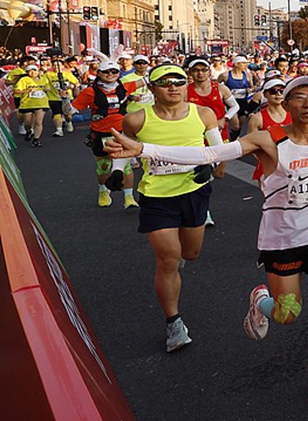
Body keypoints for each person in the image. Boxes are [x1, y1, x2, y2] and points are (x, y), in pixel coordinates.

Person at [105, 76, 308, 407]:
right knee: (286, 314)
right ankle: (261, 300)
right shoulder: (267, 139)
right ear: (286, 104)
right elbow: (210, 153)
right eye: (299, 98)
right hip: (282, 241)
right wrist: (144, 149)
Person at [121, 64, 223, 352]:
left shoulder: (202, 114)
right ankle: (173, 323)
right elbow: (125, 150)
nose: (173, 86)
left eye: (179, 81)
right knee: (167, 259)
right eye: (164, 82)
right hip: (156, 197)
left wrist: (209, 165)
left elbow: (218, 150)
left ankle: (178, 260)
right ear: (152, 88)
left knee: (190, 254)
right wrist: (119, 171)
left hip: (194, 193)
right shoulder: (137, 120)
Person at [72, 60, 138, 208]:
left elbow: (148, 81)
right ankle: (103, 190)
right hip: (101, 133)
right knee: (103, 166)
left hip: (122, 132)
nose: (110, 75)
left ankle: (129, 197)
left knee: (126, 166)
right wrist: (65, 101)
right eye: (106, 72)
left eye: (114, 71)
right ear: (98, 73)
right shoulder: (90, 91)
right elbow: (71, 109)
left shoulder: (125, 87)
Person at [15, 64, 51, 147]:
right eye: (30, 71)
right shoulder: (24, 80)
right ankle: (29, 131)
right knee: (27, 123)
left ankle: (36, 139)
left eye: (34, 70)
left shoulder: (44, 79)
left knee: (38, 122)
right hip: (27, 103)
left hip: (41, 102)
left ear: (38, 72)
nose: (33, 72)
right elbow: (16, 91)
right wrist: (27, 90)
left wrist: (47, 89)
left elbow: (48, 88)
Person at [44, 56, 79, 137]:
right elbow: (44, 84)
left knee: (67, 114)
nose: (57, 67)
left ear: (62, 66)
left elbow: (77, 83)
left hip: (66, 97)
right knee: (57, 114)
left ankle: (69, 122)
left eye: (59, 65)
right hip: (53, 97)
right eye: (55, 65)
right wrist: (46, 88)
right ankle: (59, 130)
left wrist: (72, 86)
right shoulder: (48, 74)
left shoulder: (67, 74)